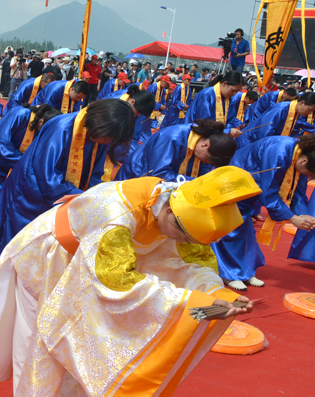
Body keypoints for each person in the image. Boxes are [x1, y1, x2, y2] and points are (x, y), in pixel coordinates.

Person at [0, 166, 260, 397]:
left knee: (77, 344)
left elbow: (187, 264)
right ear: (169, 211)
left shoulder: (175, 203)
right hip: (53, 257)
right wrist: (192, 302)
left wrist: (218, 296)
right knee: (49, 341)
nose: (181, 240)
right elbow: (116, 283)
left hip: (89, 262)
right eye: (180, 233)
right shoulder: (115, 214)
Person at [0, 99, 136, 295]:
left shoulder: (95, 135)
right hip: (29, 196)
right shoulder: (61, 128)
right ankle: (11, 302)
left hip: (62, 197)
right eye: (108, 138)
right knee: (23, 250)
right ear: (100, 124)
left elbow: (95, 173)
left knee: (49, 255)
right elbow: (46, 174)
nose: (107, 143)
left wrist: (97, 196)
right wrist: (82, 198)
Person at [212, 135, 315, 290]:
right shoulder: (280, 151)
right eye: (310, 173)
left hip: (253, 186)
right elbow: (269, 192)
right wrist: (292, 218)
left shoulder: (299, 156)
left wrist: (303, 215)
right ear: (304, 161)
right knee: (231, 227)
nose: (308, 177)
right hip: (236, 180)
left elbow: (298, 191)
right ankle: (228, 272)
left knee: (244, 228)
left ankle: (244, 272)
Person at [0, 104, 60, 237]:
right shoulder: (20, 114)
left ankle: (1, 230)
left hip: (17, 162)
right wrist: (23, 162)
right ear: (41, 121)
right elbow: (1, 141)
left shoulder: (41, 127)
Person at [118, 120, 237, 181]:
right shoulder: (173, 139)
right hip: (136, 177)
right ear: (205, 145)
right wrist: (194, 182)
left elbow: (201, 168)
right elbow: (158, 173)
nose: (205, 162)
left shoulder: (201, 141)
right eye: (206, 159)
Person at [244, 92, 315, 143]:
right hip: (252, 141)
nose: (310, 113)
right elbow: (264, 131)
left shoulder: (296, 112)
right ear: (302, 103)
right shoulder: (281, 108)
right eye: (310, 109)